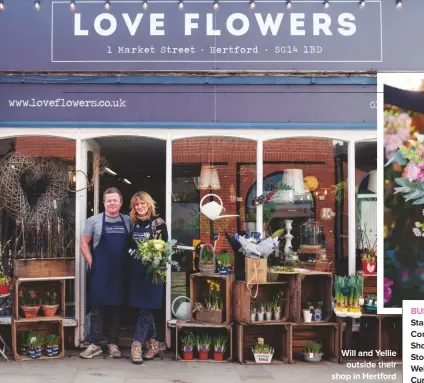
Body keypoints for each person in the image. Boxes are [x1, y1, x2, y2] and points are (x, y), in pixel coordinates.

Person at [79, 187, 130, 359]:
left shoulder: (128, 221)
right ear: (104, 203)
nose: (112, 203)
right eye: (109, 200)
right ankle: (95, 344)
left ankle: (113, 344)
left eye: (115, 200)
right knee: (98, 308)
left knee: (116, 307)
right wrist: (91, 261)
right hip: (100, 271)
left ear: (121, 202)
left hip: (120, 272)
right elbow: (84, 243)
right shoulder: (94, 221)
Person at [128, 191, 168, 364]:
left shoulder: (158, 224)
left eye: (143, 203)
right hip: (136, 273)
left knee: (146, 308)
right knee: (144, 308)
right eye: (137, 204)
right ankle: (154, 344)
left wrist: (159, 265)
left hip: (153, 272)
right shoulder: (132, 224)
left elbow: (165, 247)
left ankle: (136, 345)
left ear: (149, 204)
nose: (140, 207)